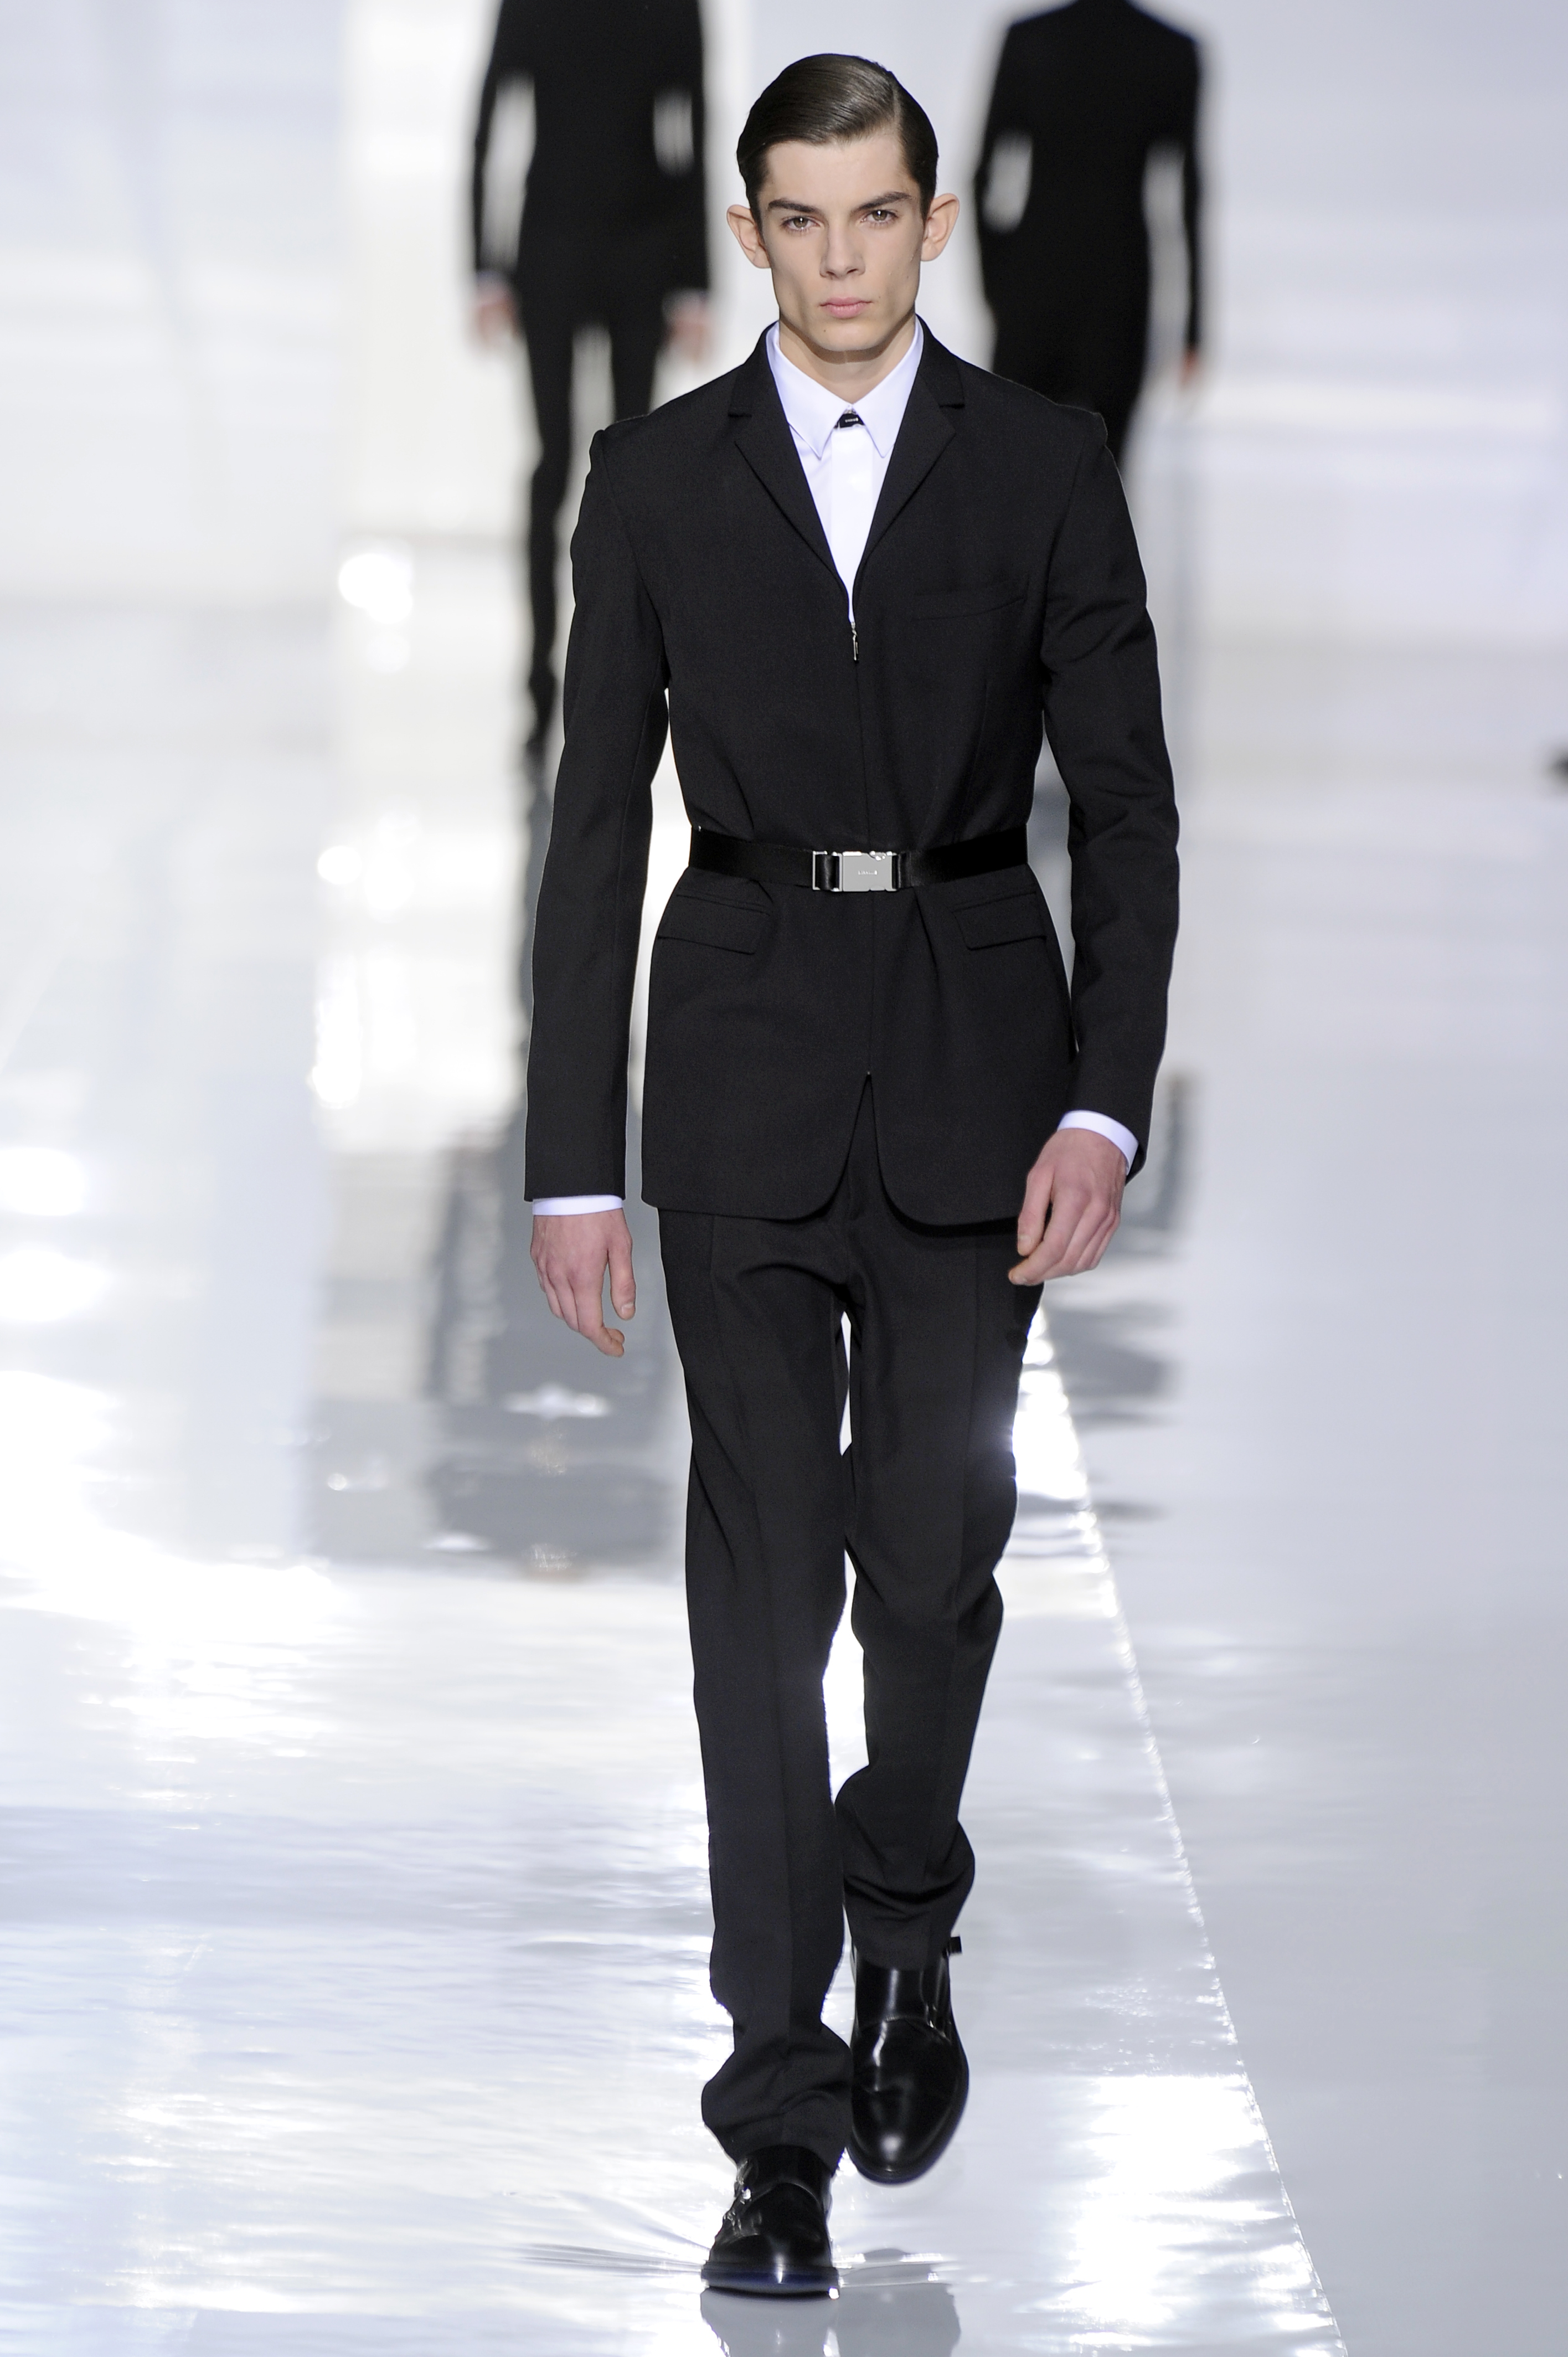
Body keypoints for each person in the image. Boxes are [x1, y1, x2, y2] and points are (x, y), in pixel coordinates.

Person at [526, 53, 1178, 2298]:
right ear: (749, 231)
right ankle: (779, 2112)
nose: (836, 257)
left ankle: (905, 1909)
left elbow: (1129, 804)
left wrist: (1105, 1102)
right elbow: (592, 822)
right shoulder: (653, 477)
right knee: (758, 1586)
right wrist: (571, 1163)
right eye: (796, 217)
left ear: (931, 219)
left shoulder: (1044, 464)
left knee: (929, 1556)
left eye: (873, 213)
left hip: (977, 1066)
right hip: (735, 1072)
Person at [470, 0, 709, 766]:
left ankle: (619, 687)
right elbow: (491, 120)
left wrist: (695, 281)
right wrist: (483, 266)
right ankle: (541, 695)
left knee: (627, 476)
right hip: (566, 248)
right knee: (557, 467)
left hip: (618, 248)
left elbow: (693, 127)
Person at [976, 0, 1202, 462]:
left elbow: (984, 177)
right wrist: (1193, 329)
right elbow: (1189, 194)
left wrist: (997, 288)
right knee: (1106, 478)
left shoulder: (1029, 40)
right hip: (1120, 289)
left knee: (1014, 475)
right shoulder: (1170, 50)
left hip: (1034, 280)